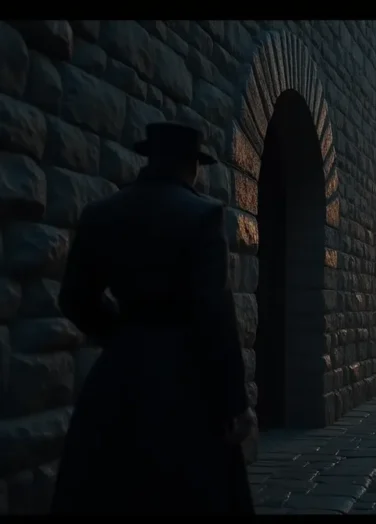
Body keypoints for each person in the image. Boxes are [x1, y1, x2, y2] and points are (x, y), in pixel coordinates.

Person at [51, 123, 256, 513]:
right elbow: (213, 313)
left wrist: (122, 334)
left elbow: (75, 298)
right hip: (186, 380)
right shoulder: (203, 216)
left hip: (118, 375)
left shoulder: (101, 214)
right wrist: (235, 405)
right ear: (191, 166)